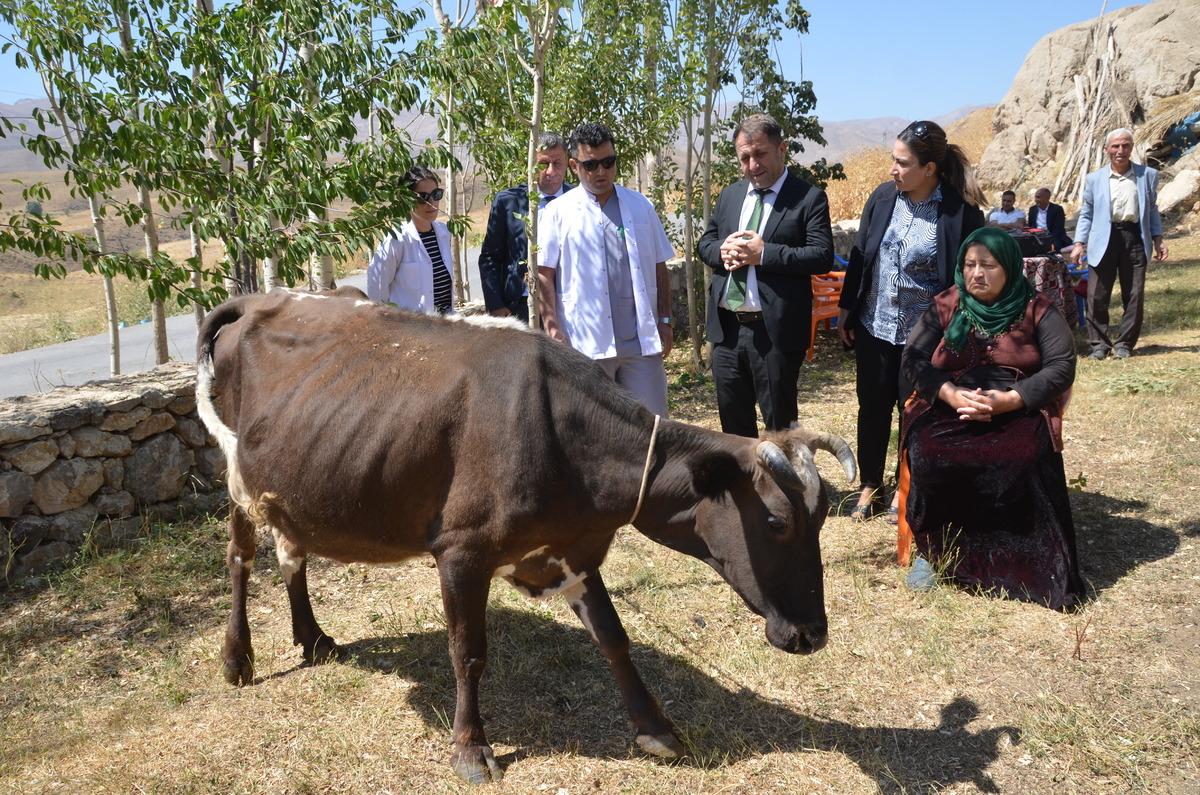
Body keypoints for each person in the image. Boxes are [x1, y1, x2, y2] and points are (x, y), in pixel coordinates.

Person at [900, 227, 1082, 609]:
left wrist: (1011, 399)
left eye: (988, 265)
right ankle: (935, 551)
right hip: (953, 402)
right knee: (929, 451)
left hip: (1017, 403)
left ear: (1010, 268)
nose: (976, 274)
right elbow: (914, 358)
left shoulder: (1036, 309)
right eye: (969, 265)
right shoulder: (947, 304)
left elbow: (1061, 366)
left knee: (1022, 453)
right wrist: (949, 393)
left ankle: (1021, 558)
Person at [838, 120, 986, 522]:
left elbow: (969, 278)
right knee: (871, 406)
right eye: (893, 160)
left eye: (902, 163)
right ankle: (871, 484)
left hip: (923, 338)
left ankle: (909, 485)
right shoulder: (882, 198)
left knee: (915, 411)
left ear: (929, 168)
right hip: (874, 325)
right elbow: (861, 256)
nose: (893, 170)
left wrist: (960, 331)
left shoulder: (959, 212)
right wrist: (847, 309)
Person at [697, 113, 834, 437]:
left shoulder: (808, 198)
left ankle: (785, 473)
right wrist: (721, 251)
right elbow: (705, 243)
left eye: (760, 154)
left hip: (774, 334)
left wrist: (764, 254)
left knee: (780, 430)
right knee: (734, 433)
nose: (752, 165)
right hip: (727, 331)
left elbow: (821, 255)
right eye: (744, 158)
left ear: (781, 149)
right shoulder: (730, 196)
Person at [536, 122, 675, 417]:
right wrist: (552, 327)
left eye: (609, 162)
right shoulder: (557, 212)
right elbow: (544, 274)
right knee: (595, 429)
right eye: (591, 165)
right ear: (574, 166)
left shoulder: (641, 206)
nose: (601, 171)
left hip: (640, 344)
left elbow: (658, 264)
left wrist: (664, 319)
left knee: (652, 426)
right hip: (585, 345)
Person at [1071, 128, 1168, 360]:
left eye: (1125, 145)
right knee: (1096, 295)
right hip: (1103, 239)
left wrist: (1158, 239)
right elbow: (1086, 213)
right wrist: (1079, 243)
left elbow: (1152, 210)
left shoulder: (1147, 175)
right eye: (1115, 146)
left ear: (1131, 148)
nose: (1120, 150)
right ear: (1107, 149)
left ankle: (1125, 344)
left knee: (1134, 294)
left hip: (1135, 238)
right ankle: (1099, 346)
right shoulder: (1094, 179)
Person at [478, 133, 573, 322]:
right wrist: (495, 305)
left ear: (568, 164)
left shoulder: (579, 200)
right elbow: (490, 257)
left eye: (557, 163)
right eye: (543, 164)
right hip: (520, 308)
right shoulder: (508, 201)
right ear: (531, 164)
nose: (551, 171)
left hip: (568, 307)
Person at [367, 166, 455, 315]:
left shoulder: (444, 233)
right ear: (407, 200)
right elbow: (377, 290)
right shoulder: (396, 240)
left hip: (446, 324)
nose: (431, 202)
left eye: (436, 194)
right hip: (410, 327)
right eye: (422, 197)